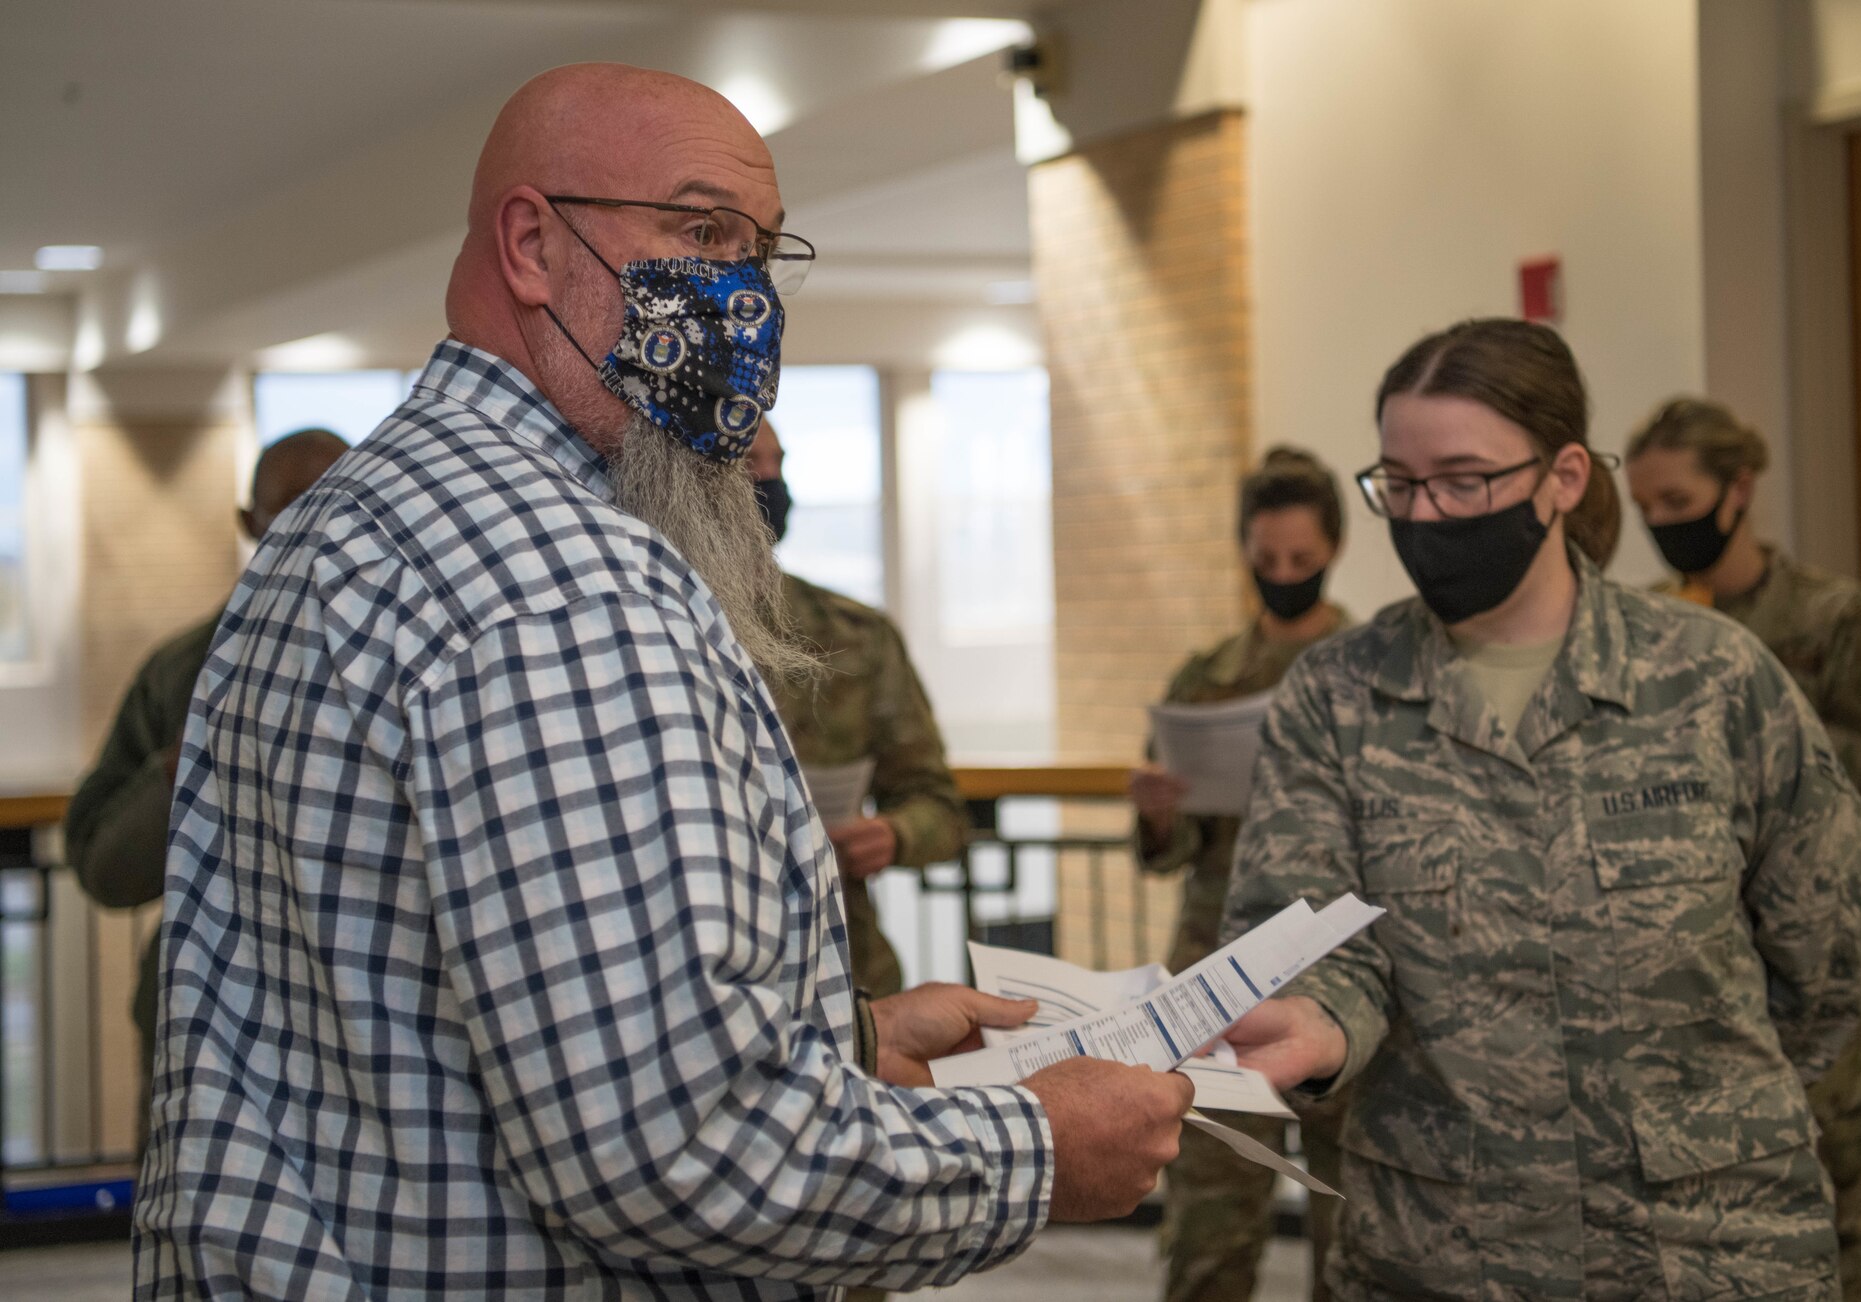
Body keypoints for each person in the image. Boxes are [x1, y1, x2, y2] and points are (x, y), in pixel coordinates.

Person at [130, 64, 1263, 1298]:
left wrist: (850, 1035)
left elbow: (434, 1012)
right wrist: (1039, 1148)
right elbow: (672, 1153)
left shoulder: (353, 520)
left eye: (762, 254)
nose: (745, 299)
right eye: (698, 231)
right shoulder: (562, 588)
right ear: (529, 244)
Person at [1216, 318, 1861, 1299]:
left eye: (1462, 479)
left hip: (1708, 1246)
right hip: (1443, 1250)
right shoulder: (1338, 697)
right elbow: (1303, 935)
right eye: (1397, 484)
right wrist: (1321, 1025)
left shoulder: (1710, 678)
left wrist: (1695, 1108)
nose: (1426, 513)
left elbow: (1823, 945)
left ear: (1560, 478)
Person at [1627, 396, 1861, 1302]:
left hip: (1801, 960)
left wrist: (1766, 739)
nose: (1660, 524)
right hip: (1683, 970)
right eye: (1646, 509)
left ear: (1738, 488)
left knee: (1830, 1222)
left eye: (1677, 502)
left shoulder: (1833, 616)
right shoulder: (1642, 625)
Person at [65, 426, 348, 1138]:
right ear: (248, 522)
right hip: (203, 1025)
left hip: (367, 1026)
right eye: (290, 507)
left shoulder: (423, 654)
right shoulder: (180, 673)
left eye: (334, 500)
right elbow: (105, 869)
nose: (313, 524)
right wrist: (182, 764)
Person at [1130, 447, 1349, 1302]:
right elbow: (1169, 850)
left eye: (1302, 561)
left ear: (1332, 550)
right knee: (1211, 1227)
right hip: (1221, 977)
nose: (1284, 576)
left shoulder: (1374, 668)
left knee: (1355, 1231)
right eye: (1267, 562)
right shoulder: (1207, 677)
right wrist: (1157, 812)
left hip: (1342, 975)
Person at [746, 420, 967, 1000]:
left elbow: (937, 804)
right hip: (712, 977)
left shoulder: (855, 636)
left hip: (845, 976)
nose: (769, 480)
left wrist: (893, 835)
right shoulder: (649, 623)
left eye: (778, 464)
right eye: (747, 463)